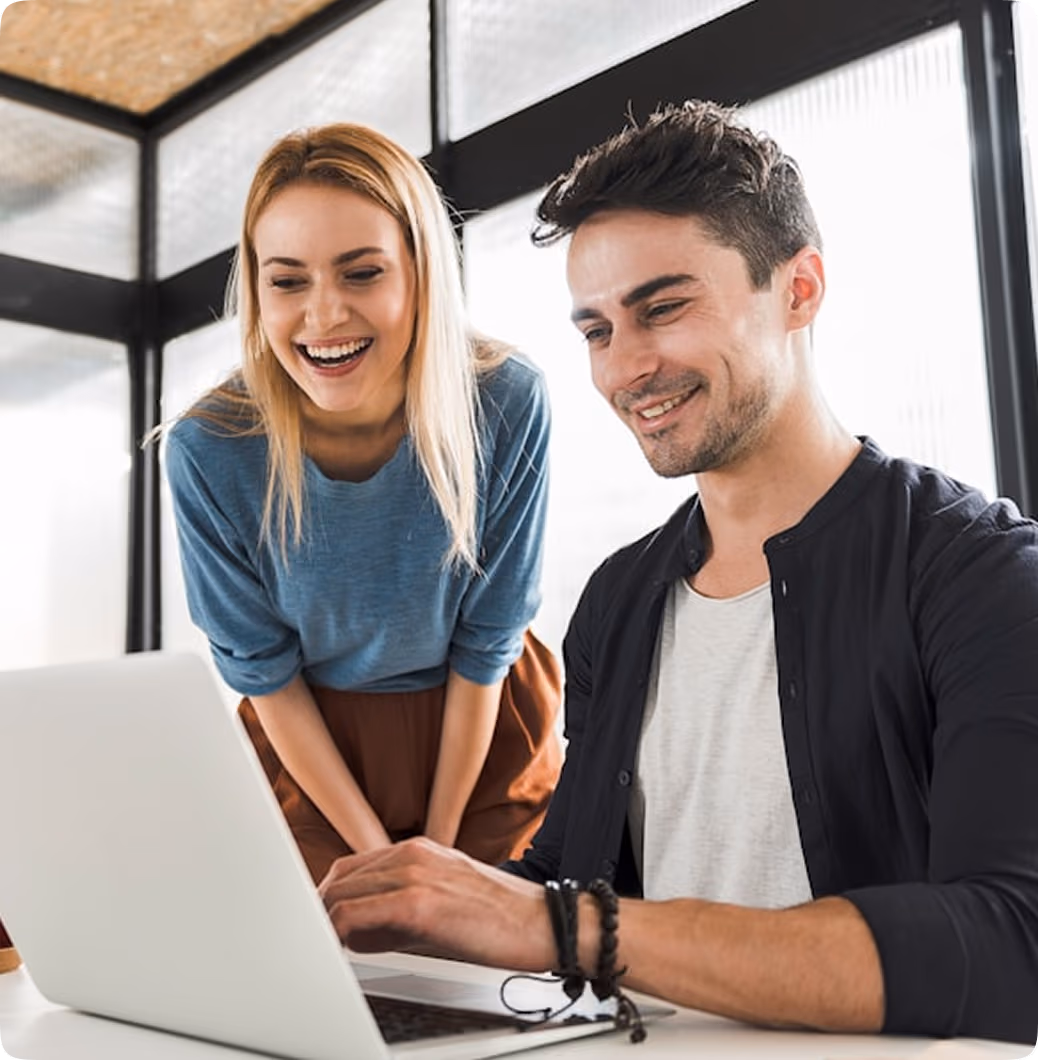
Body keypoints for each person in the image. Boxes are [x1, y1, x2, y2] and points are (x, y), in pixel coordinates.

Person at [317, 101, 1038, 1044]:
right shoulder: (619, 600)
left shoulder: (981, 577)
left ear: (800, 288)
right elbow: (568, 888)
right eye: (596, 331)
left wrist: (553, 923)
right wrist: (396, 915)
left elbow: (1012, 946)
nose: (628, 367)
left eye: (664, 307)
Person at [164, 122, 562, 886]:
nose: (323, 317)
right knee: (336, 968)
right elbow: (265, 673)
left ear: (419, 273)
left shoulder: (508, 402)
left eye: (361, 273)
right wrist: (381, 856)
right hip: (312, 749)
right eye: (287, 281)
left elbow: (489, 641)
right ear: (255, 290)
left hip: (482, 728)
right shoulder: (208, 450)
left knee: (491, 957)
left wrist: (439, 854)